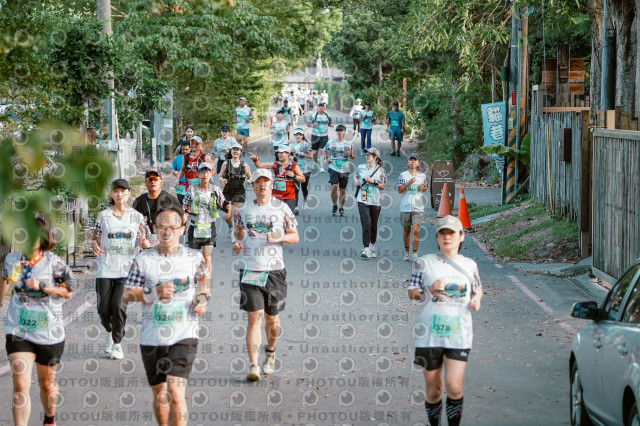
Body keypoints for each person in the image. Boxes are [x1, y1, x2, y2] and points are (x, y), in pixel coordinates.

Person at [124, 200, 210, 426]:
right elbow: (128, 294)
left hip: (184, 334)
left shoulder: (194, 257)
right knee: (160, 394)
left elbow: (204, 279)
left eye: (172, 227)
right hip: (152, 337)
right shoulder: (143, 260)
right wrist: (153, 293)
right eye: (161, 226)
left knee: (175, 391)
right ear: (154, 228)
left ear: (182, 229)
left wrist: (203, 298)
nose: (166, 231)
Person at [407, 215, 483, 426]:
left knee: (454, 387)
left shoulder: (469, 265)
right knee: (433, 390)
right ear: (437, 238)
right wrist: (430, 289)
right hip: (428, 336)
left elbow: (477, 290)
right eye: (442, 233)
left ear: (461, 236)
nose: (447, 237)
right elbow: (412, 292)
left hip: (458, 335)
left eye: (451, 233)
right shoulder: (424, 263)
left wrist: (476, 300)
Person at [0, 217, 73, 426]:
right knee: (20, 386)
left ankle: (49, 419)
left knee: (47, 384)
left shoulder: (54, 263)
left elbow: (67, 292)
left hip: (48, 332)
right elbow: (4, 278)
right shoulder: (12, 260)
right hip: (18, 330)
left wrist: (42, 287)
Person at [232, 168, 299, 381]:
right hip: (250, 269)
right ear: (253, 186)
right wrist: (238, 241)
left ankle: (270, 352)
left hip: (275, 270)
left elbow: (295, 236)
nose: (262, 185)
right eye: (258, 182)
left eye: (266, 181)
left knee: (272, 319)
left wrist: (279, 237)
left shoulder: (282, 208)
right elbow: (239, 232)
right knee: (254, 317)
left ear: (272, 185)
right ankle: (253, 365)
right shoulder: (245, 210)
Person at [92, 179, 146, 360]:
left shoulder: (137, 217)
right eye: (116, 191)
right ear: (112, 194)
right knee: (103, 309)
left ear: (129, 193)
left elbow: (144, 237)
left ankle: (117, 344)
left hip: (127, 269)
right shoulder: (103, 216)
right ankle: (109, 332)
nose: (119, 194)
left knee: (118, 305)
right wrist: (95, 246)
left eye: (123, 191)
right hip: (105, 267)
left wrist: (144, 242)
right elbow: (95, 237)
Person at [183, 162, 229, 275]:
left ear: (210, 175)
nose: (204, 175)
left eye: (207, 172)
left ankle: (206, 281)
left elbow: (224, 204)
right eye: (202, 172)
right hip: (195, 226)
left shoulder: (215, 189)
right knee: (194, 257)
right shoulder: (192, 189)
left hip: (209, 226)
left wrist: (227, 206)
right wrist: (185, 215)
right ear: (198, 175)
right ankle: (193, 278)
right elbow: (185, 204)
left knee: (207, 257)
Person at [250, 145, 305, 213]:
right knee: (275, 214)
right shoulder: (275, 164)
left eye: (282, 153)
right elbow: (259, 165)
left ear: (288, 153)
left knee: (288, 215)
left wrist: (293, 176)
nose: (279, 154)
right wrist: (255, 159)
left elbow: (303, 179)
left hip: (289, 196)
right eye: (278, 152)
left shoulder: (293, 165)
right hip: (276, 195)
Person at [354, 148, 387, 258]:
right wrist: (356, 181)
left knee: (373, 225)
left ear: (375, 157)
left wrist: (374, 181)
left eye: (370, 155)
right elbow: (355, 175)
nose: (367, 156)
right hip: (362, 198)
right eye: (366, 154)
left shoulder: (381, 171)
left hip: (375, 200)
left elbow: (382, 186)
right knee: (366, 223)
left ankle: (372, 246)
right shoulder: (360, 167)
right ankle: (366, 248)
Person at [134, 169, 176, 249]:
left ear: (161, 181)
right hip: (146, 243)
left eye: (155, 179)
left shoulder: (170, 200)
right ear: (146, 182)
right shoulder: (139, 201)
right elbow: (134, 223)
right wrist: (141, 237)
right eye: (150, 179)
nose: (153, 182)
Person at [397, 154, 429, 261]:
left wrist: (422, 188)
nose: (412, 162)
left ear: (418, 163)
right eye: (410, 160)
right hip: (405, 206)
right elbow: (400, 190)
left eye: (414, 160)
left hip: (418, 207)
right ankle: (407, 252)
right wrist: (409, 183)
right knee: (406, 230)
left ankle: (415, 253)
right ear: (408, 163)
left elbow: (425, 187)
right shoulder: (403, 175)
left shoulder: (422, 176)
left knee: (415, 230)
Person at [219, 142, 252, 237]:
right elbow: (220, 176)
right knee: (227, 216)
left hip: (239, 190)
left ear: (240, 152)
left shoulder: (244, 165)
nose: (235, 151)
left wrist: (249, 181)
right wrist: (222, 180)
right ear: (231, 151)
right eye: (233, 149)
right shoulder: (226, 163)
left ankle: (236, 231)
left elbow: (250, 176)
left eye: (237, 150)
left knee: (236, 214)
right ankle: (231, 226)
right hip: (227, 191)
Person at [326, 124, 355, 216]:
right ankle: (335, 205)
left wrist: (350, 154)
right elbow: (324, 151)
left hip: (344, 168)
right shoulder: (331, 142)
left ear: (345, 132)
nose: (339, 133)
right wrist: (327, 158)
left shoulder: (349, 144)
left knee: (342, 190)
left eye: (341, 131)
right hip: (333, 167)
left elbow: (353, 156)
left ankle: (341, 207)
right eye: (338, 131)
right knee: (334, 187)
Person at [289, 128, 313, 212]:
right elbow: (289, 156)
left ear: (302, 136)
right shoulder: (291, 145)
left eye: (300, 135)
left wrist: (300, 153)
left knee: (304, 187)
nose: (298, 136)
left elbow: (311, 156)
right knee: (296, 188)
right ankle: (295, 207)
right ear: (294, 136)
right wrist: (292, 158)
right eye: (296, 135)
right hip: (295, 169)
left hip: (305, 169)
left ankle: (305, 201)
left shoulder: (306, 145)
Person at [307, 102, 333, 173]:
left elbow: (329, 123)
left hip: (324, 136)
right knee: (315, 152)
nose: (321, 108)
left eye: (322, 106)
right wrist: (313, 125)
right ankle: (315, 161)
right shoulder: (314, 115)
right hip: (315, 136)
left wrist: (331, 125)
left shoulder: (328, 115)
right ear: (317, 107)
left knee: (323, 151)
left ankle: (322, 167)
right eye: (320, 106)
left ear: (324, 107)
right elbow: (308, 124)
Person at [172, 140, 190, 205]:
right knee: (181, 203)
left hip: (191, 184)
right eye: (183, 149)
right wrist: (174, 172)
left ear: (190, 149)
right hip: (180, 184)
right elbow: (173, 169)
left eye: (186, 149)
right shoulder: (177, 158)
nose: (184, 151)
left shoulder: (193, 158)